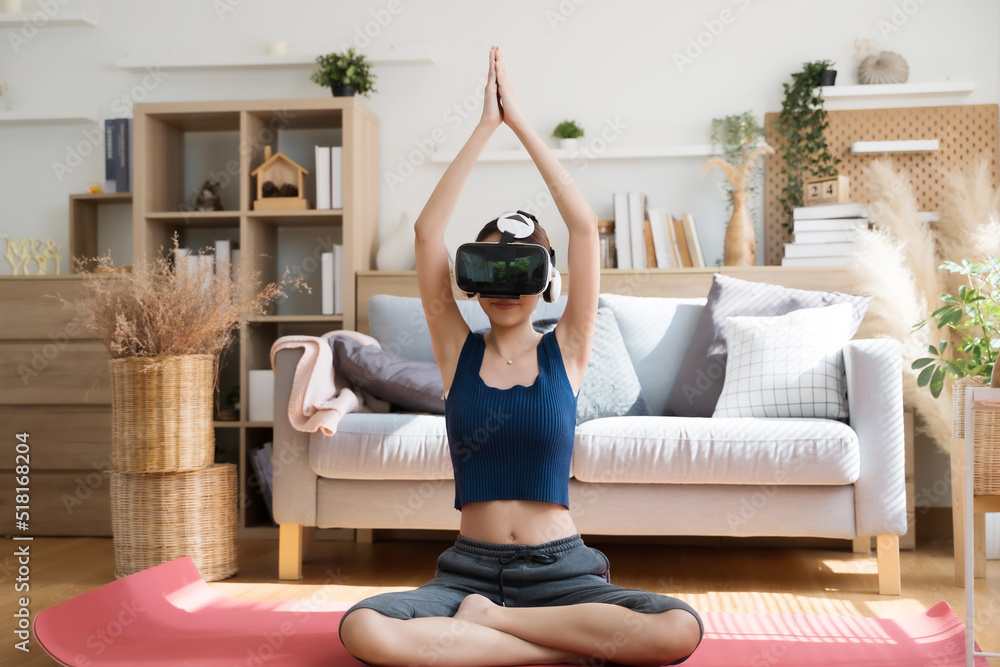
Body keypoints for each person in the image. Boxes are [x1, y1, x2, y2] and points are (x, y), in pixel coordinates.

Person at [339, 46, 703, 667]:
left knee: (678, 629)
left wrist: (522, 124)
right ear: (473, 280)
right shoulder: (457, 350)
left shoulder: (570, 347)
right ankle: (555, 652)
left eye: (523, 270)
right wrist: (485, 127)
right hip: (467, 572)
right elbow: (429, 234)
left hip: (563, 571)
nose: (506, 290)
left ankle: (497, 629)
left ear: (548, 281)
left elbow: (584, 228)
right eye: (491, 271)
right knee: (363, 630)